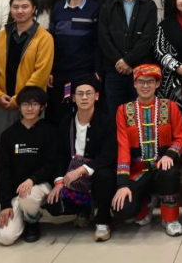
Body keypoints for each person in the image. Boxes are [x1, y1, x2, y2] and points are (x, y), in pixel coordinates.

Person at [111, 64, 182, 236]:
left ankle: (170, 219)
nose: (145, 86)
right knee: (122, 210)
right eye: (141, 82)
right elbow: (123, 147)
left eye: (150, 82)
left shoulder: (170, 107)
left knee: (169, 173)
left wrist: (169, 155)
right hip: (137, 172)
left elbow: (181, 138)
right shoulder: (123, 110)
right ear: (134, 84)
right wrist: (122, 184)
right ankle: (147, 201)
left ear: (157, 84)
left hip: (163, 167)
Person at [45, 78, 118, 242]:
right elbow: (60, 154)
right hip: (72, 178)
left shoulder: (107, 121)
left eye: (88, 93)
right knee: (53, 204)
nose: (84, 97)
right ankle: (83, 210)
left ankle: (102, 221)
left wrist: (82, 169)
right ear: (73, 97)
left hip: (97, 174)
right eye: (80, 94)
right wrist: (58, 182)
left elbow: (109, 155)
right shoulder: (66, 122)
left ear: (96, 96)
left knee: (104, 175)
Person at [0, 86, 57, 245]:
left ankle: (32, 222)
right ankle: (22, 214)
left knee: (28, 196)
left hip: (40, 186)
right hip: (16, 192)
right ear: (19, 107)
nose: (30, 108)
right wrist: (5, 204)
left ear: (42, 107)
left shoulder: (50, 131)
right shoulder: (8, 135)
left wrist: (32, 179)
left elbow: (51, 164)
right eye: (25, 104)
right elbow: (3, 170)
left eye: (35, 104)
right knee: (5, 238)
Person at [96, 0, 159, 114]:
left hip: (140, 70)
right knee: (115, 114)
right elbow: (103, 37)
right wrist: (119, 61)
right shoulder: (107, 5)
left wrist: (128, 61)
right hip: (113, 69)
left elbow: (147, 38)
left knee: (139, 114)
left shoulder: (149, 6)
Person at [0, 0, 55, 136]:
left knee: (31, 144)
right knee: (4, 143)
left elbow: (41, 74)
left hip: (30, 103)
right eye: (15, 7)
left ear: (33, 9)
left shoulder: (44, 38)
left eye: (25, 7)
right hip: (3, 103)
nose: (19, 11)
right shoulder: (2, 35)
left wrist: (19, 99)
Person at [48, 0, 102, 120]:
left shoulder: (95, 8)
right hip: (60, 71)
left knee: (84, 112)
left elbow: (98, 41)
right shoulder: (58, 8)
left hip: (85, 71)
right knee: (60, 113)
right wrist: (49, 70)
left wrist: (97, 69)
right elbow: (51, 41)